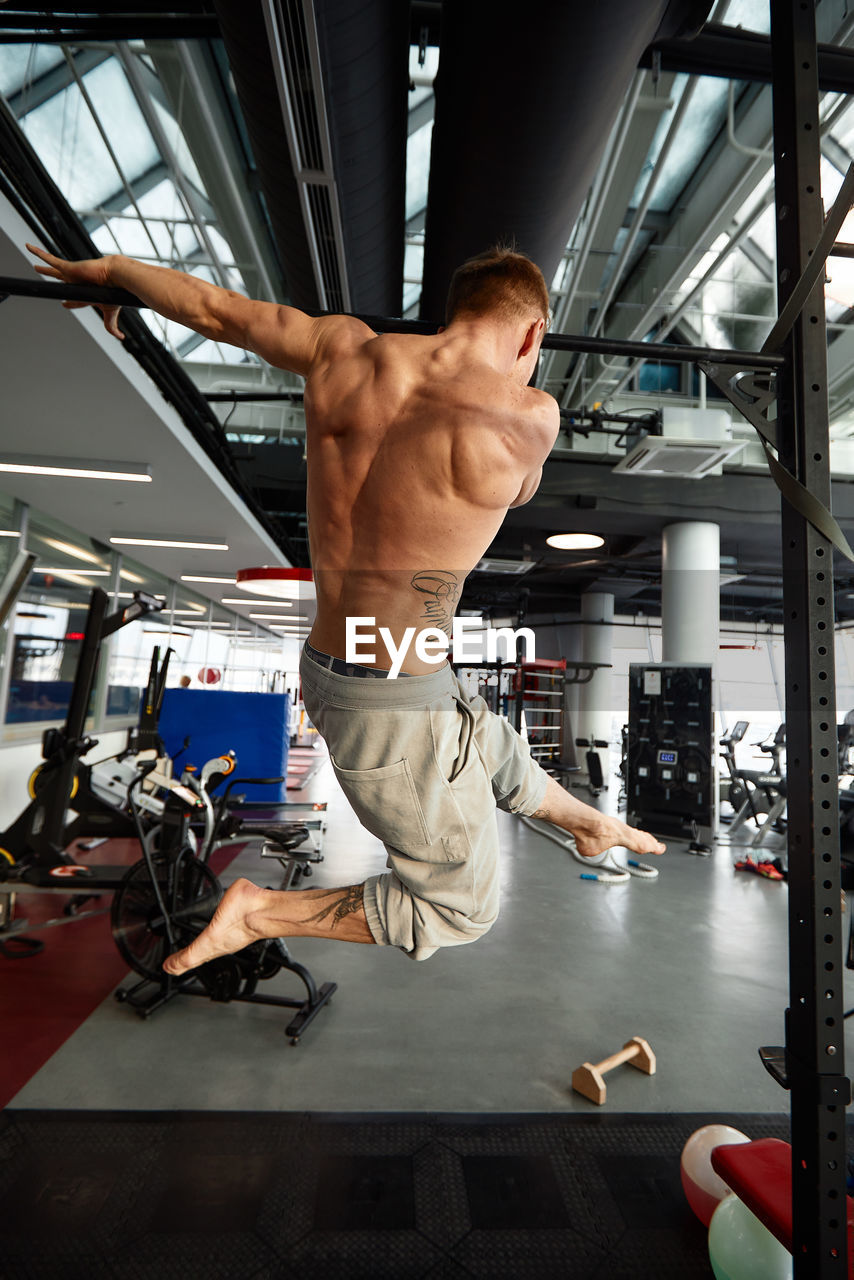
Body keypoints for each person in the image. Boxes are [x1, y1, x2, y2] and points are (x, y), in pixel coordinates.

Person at [27, 241, 665, 971]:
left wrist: (116, 276)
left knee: (481, 737)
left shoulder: (341, 348)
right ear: (532, 336)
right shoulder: (529, 414)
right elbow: (512, 492)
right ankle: (258, 911)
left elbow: (216, 311)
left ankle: (586, 823)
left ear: (454, 312)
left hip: (363, 665)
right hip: (387, 699)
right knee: (460, 907)